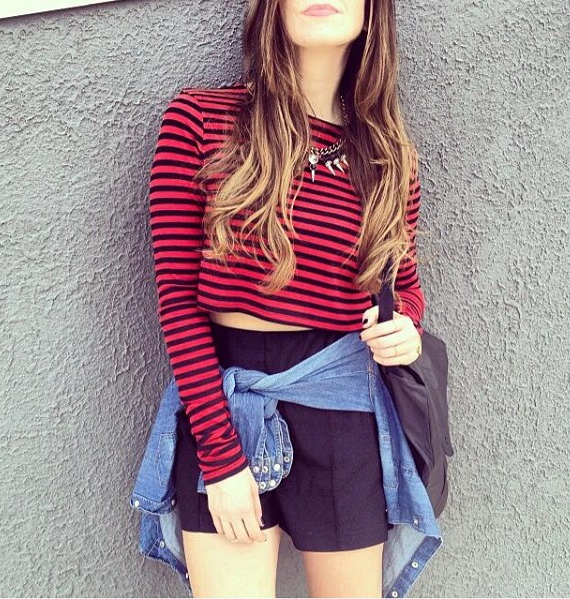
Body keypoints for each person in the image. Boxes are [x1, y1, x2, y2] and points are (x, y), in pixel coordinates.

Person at [147, 0, 426, 596]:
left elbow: (404, 286)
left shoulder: (388, 156)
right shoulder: (200, 121)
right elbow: (177, 302)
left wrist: (406, 330)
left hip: (344, 409)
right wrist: (220, 458)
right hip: (225, 408)